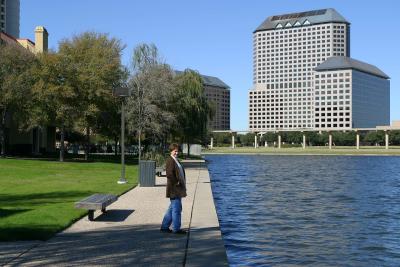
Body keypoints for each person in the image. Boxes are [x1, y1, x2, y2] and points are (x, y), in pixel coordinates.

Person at [160, 143, 187, 234]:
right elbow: (169, 174)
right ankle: (176, 229)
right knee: (177, 210)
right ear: (171, 151)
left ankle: (164, 227)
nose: (177, 153)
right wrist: (177, 182)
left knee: (172, 208)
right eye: (175, 151)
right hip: (174, 189)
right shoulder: (170, 160)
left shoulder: (176, 160)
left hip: (178, 188)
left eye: (177, 151)